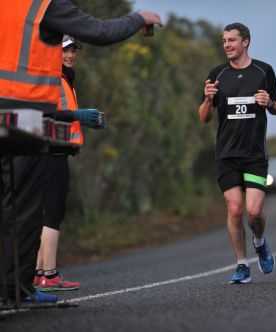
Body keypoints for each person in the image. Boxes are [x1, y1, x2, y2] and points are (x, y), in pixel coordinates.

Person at [0, 0, 161, 303]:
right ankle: (13, 291)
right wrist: (138, 18)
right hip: (25, 115)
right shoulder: (42, 5)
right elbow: (99, 31)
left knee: (9, 205)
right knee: (24, 208)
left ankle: (12, 289)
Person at [198, 22, 276, 284]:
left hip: (255, 154)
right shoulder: (217, 74)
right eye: (224, 41)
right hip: (226, 154)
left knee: (254, 212)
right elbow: (203, 117)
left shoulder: (263, 71)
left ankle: (259, 240)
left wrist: (268, 102)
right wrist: (207, 100)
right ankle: (241, 264)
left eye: (232, 40)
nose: (226, 45)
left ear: (245, 42)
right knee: (235, 208)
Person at [34, 36, 83, 292]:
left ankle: (41, 272)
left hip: (55, 150)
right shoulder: (50, 77)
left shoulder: (65, 77)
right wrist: (78, 115)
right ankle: (49, 275)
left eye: (73, 50)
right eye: (65, 50)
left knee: (47, 212)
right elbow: (48, 112)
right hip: (49, 151)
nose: (71, 55)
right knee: (52, 212)